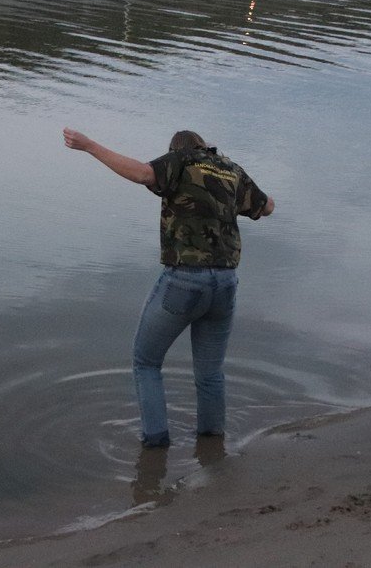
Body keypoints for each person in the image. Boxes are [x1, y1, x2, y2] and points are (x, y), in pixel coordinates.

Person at [62, 127, 274, 448]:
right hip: (226, 283)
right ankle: (212, 445)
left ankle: (156, 445)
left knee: (146, 362)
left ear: (177, 149)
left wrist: (90, 146)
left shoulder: (181, 161)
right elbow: (267, 206)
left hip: (186, 279)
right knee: (210, 373)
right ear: (204, 146)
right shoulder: (230, 169)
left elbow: (143, 174)